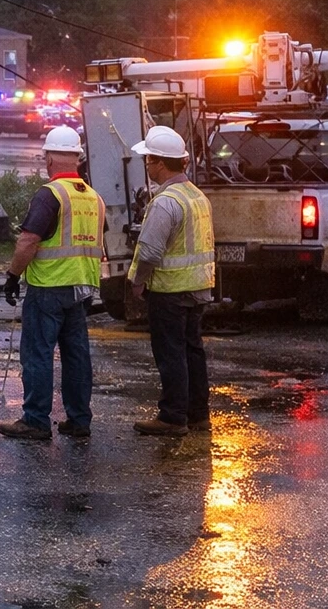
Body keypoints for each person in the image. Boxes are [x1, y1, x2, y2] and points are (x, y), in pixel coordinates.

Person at [0, 125, 105, 440]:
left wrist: (13, 276)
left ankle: (35, 420)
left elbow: (28, 241)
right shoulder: (94, 198)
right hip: (81, 288)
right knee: (76, 356)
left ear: (48, 159)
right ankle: (79, 419)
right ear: (78, 158)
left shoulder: (50, 194)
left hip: (48, 287)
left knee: (38, 353)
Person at [128, 125, 215, 437]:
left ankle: (172, 416)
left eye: (148, 161)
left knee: (171, 353)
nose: (148, 166)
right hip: (197, 288)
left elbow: (150, 250)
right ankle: (198, 414)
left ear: (160, 163)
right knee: (193, 350)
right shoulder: (197, 196)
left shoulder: (165, 201)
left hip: (170, 291)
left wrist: (138, 280)